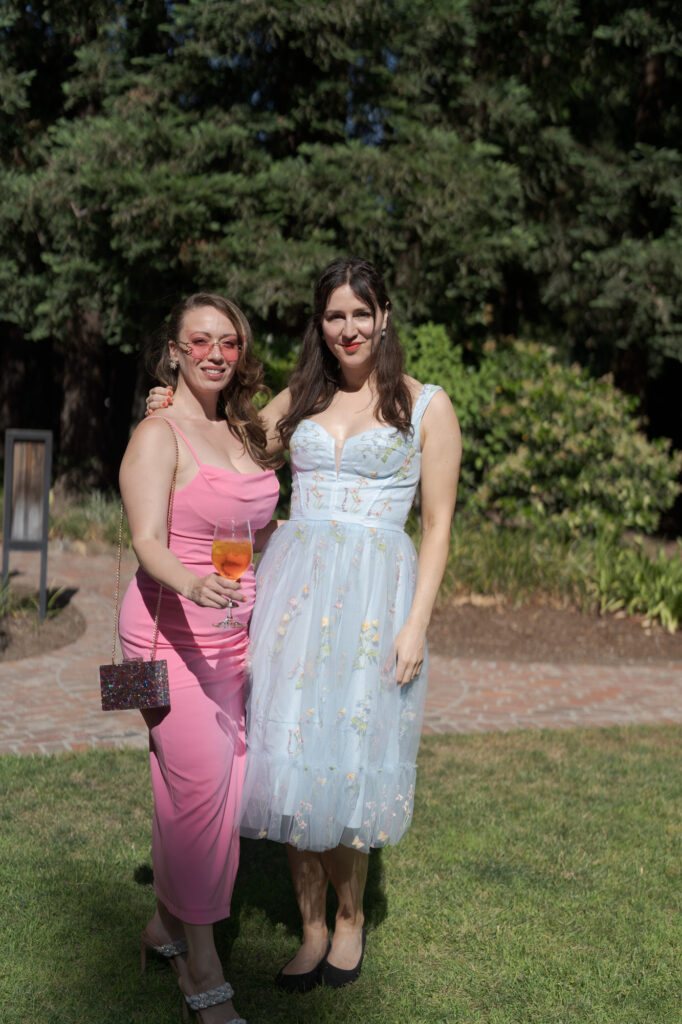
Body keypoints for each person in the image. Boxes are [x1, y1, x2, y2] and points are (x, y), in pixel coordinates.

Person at [146, 258, 461, 992]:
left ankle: (350, 920)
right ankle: (310, 925)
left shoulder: (425, 406)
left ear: (384, 315)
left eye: (360, 312)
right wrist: (171, 402)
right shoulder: (303, 396)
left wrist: (416, 625)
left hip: (375, 603)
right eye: (333, 316)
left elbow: (440, 526)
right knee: (286, 750)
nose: (348, 328)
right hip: (293, 593)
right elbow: (228, 445)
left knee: (347, 760)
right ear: (319, 325)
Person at [120, 293, 279, 1024]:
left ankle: (163, 926)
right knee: (197, 796)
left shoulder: (243, 430)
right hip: (166, 637)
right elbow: (148, 539)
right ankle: (201, 971)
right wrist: (193, 583)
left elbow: (255, 525)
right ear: (175, 351)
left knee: (213, 792)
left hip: (232, 642)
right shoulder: (159, 434)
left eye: (230, 343)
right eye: (201, 341)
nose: (216, 353)